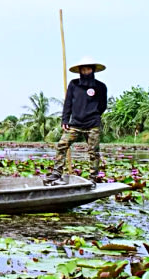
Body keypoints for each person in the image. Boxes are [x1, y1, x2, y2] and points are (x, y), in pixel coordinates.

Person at [45, 56, 108, 186]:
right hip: (75, 124)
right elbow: (68, 103)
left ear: (93, 70)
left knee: (93, 152)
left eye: (88, 69)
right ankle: (56, 173)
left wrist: (94, 114)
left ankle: (93, 177)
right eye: (83, 70)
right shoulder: (74, 84)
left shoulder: (101, 87)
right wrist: (65, 119)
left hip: (93, 125)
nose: (86, 72)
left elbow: (103, 105)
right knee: (62, 145)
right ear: (80, 71)